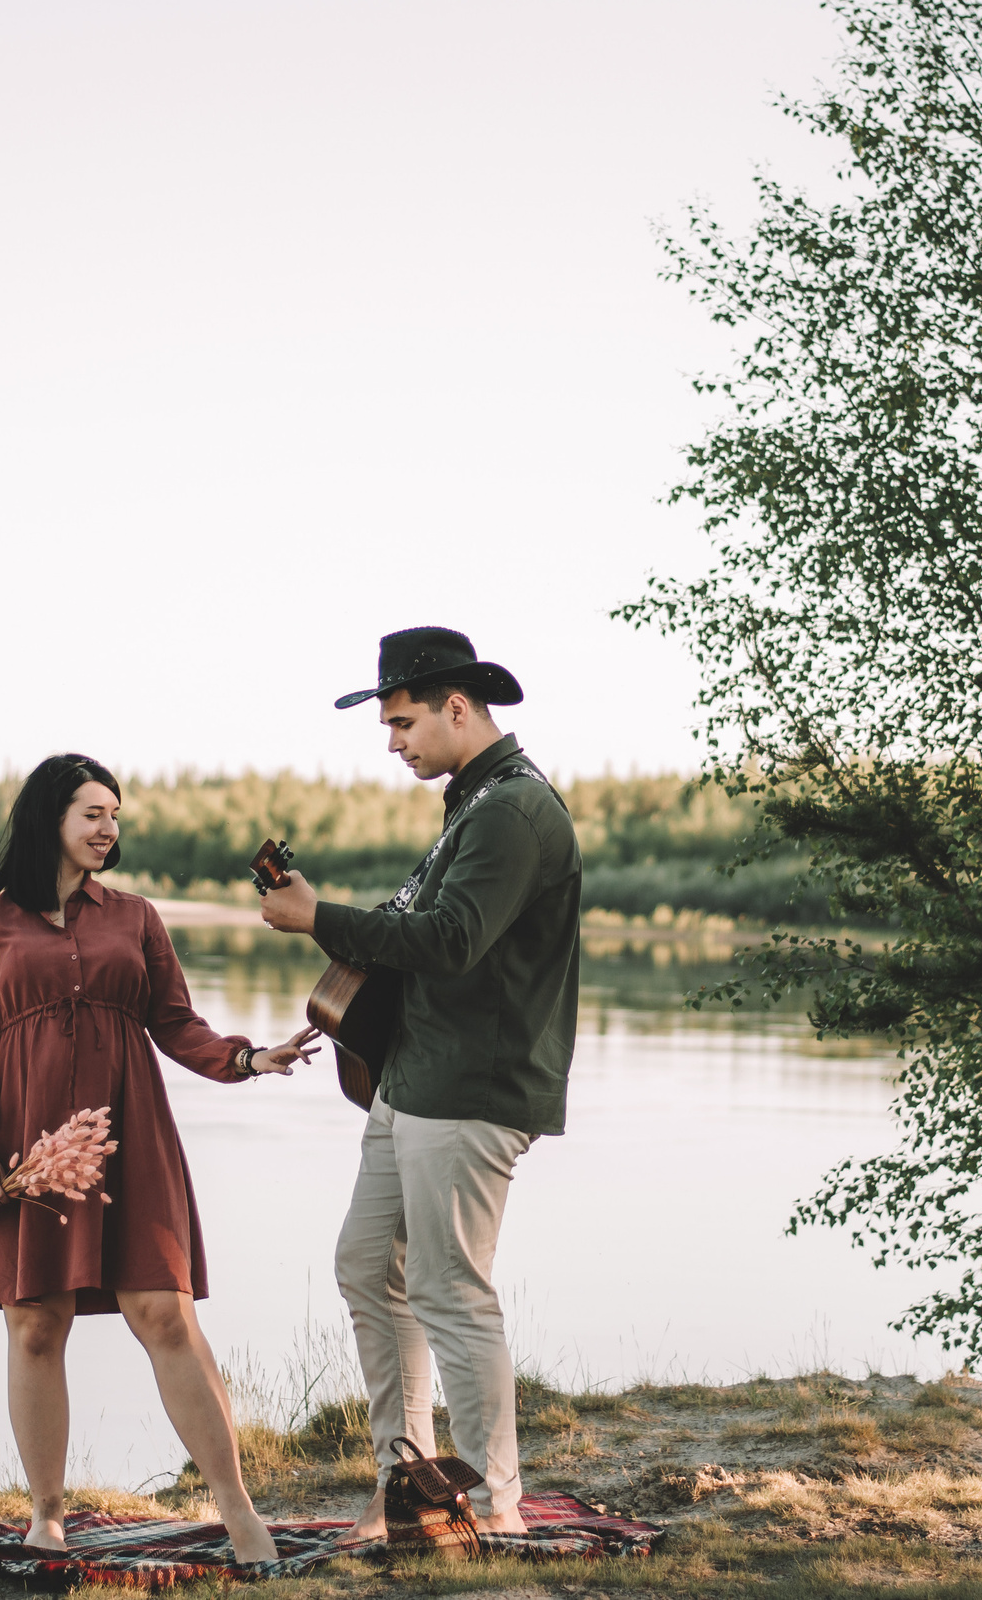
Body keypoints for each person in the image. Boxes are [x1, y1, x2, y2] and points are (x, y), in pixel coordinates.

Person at [0, 752, 317, 1564]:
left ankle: (238, 1509)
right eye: (92, 813)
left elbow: (175, 1022)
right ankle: (48, 1511)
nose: (108, 828)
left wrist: (247, 1057)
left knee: (166, 1312)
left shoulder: (137, 917)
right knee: (36, 1323)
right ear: (52, 818)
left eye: (114, 814)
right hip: (27, 1150)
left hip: (129, 1139)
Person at [257, 627, 581, 1540]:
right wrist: (327, 919)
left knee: (450, 1288)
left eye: (402, 722)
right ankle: (409, 1482)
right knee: (369, 1265)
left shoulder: (515, 812)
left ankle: (495, 1507)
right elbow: (424, 934)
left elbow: (449, 942)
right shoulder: (473, 805)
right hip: (417, 1079)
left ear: (456, 706)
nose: (392, 741)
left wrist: (317, 914)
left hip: (472, 1086)